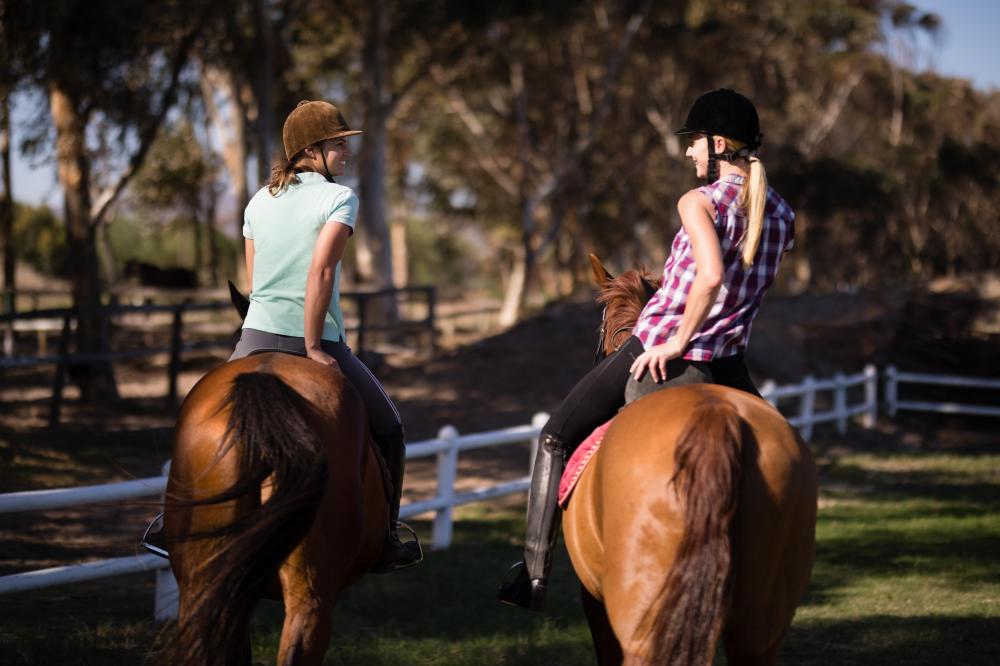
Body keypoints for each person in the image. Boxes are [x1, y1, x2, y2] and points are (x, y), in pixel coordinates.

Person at [498, 88, 795, 609]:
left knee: (554, 436)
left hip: (662, 347)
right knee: (785, 457)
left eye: (693, 143)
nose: (688, 153)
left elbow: (711, 275)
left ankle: (534, 576)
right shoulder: (781, 212)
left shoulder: (697, 201)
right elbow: (740, 283)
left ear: (718, 143)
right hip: (730, 365)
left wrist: (679, 339)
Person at [231, 100, 422, 573]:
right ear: (311, 149)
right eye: (339, 144)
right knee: (391, 429)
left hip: (254, 337)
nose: (346, 152)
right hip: (316, 339)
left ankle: (167, 519)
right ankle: (388, 536)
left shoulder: (258, 200)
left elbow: (254, 285)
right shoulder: (340, 199)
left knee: (208, 420)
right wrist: (314, 346)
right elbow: (320, 271)